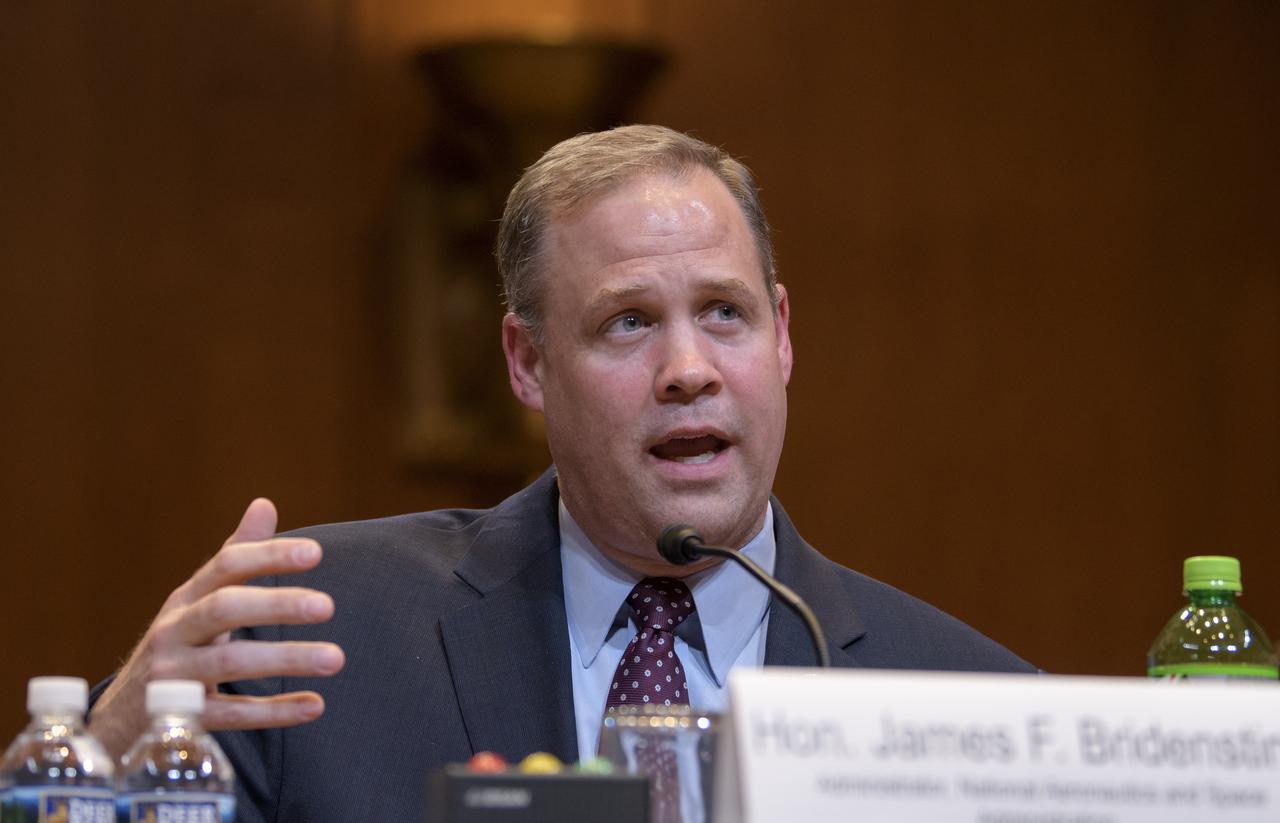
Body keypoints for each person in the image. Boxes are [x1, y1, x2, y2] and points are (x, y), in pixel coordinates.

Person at [89, 125, 1034, 821]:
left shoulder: (976, 706)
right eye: (627, 321)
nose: (688, 368)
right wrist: (99, 754)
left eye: (724, 312)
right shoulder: (308, 639)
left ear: (782, 336)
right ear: (527, 362)